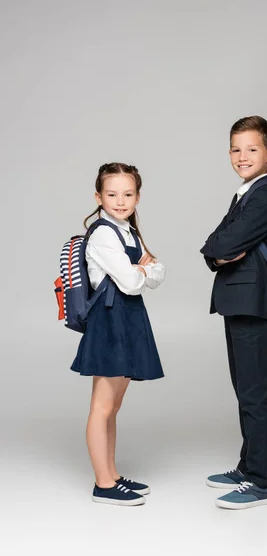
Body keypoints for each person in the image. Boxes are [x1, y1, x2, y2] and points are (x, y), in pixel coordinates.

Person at [200, 116, 267, 510]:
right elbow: (212, 246)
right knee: (244, 390)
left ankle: (259, 481)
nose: (242, 156)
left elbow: (226, 241)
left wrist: (222, 249)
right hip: (239, 301)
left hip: (253, 304)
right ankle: (246, 466)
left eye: (251, 149)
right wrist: (219, 252)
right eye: (236, 149)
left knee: (254, 394)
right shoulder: (245, 192)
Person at [71, 162, 165, 506]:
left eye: (127, 194)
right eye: (112, 194)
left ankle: (112, 474)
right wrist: (143, 268)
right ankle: (103, 484)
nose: (120, 200)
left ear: (137, 197)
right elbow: (132, 280)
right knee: (102, 406)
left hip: (127, 319)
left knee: (113, 407)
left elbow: (157, 273)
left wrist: (144, 269)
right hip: (110, 322)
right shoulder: (103, 234)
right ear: (98, 196)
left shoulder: (128, 231)